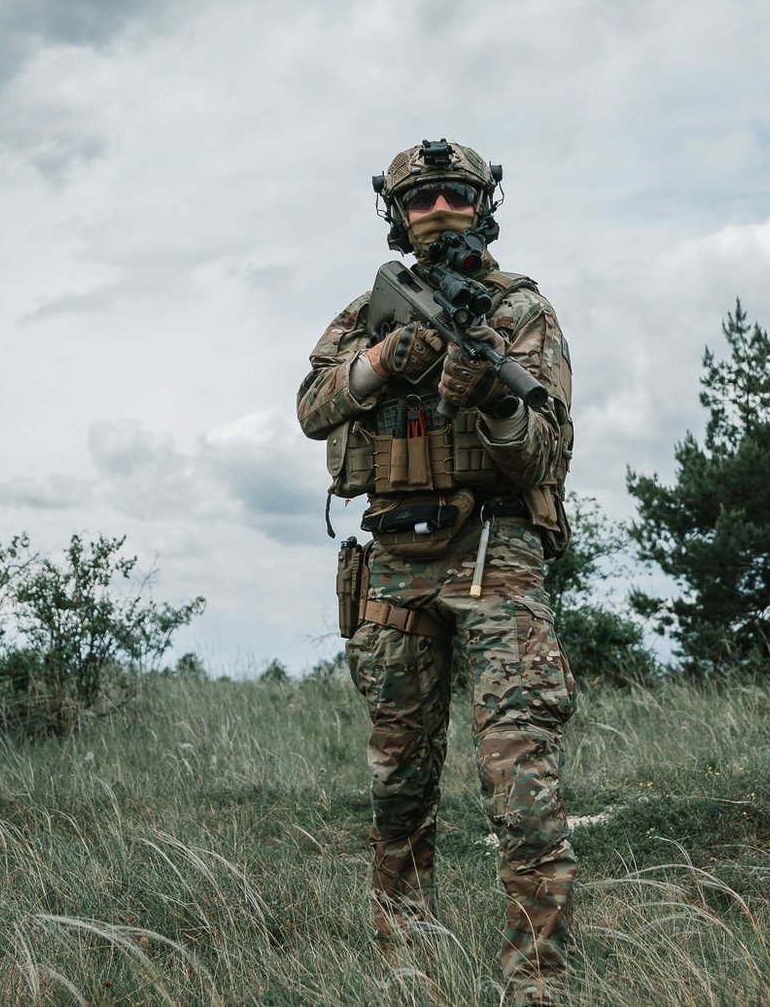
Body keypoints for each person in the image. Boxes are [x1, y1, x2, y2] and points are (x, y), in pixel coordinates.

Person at [297, 140, 578, 1005]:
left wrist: (491, 394)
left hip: (498, 556)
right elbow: (312, 408)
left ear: (483, 202)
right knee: (399, 788)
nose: (441, 211)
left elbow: (547, 451)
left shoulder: (521, 312)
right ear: (398, 214)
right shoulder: (364, 313)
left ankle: (538, 983)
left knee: (521, 788)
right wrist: (386, 362)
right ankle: (404, 970)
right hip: (394, 564)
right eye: (421, 201)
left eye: (456, 195)